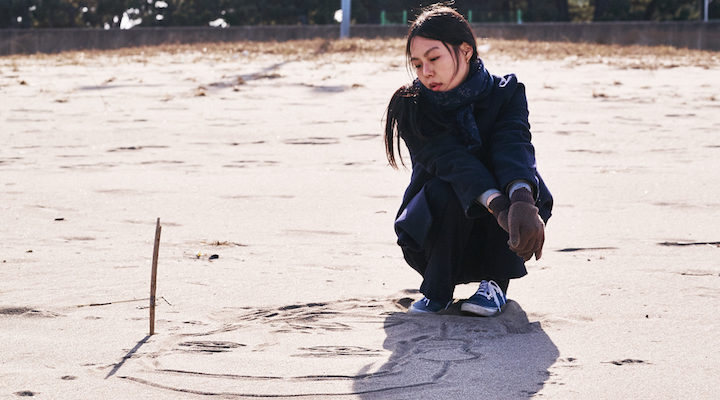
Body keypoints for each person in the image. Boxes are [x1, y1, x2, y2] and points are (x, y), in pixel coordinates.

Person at [384, 4, 553, 316]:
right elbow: (451, 161)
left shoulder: (507, 92)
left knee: (519, 182)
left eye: (433, 58)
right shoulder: (412, 105)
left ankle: (495, 284)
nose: (426, 71)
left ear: (465, 51)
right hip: (435, 228)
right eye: (417, 64)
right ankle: (437, 289)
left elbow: (513, 144)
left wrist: (520, 201)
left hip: (501, 230)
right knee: (449, 187)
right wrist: (498, 206)